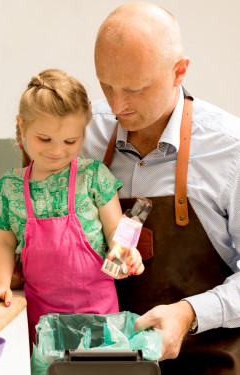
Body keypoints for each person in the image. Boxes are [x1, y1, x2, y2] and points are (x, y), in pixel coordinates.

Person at [83, 2, 240, 373]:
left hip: (206, 359)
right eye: (106, 85)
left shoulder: (230, 150)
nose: (118, 105)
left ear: (178, 71)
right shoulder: (81, 134)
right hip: (94, 359)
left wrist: (188, 312)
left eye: (135, 89)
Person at [0, 68, 144, 346]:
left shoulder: (94, 176)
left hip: (99, 312)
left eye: (70, 141)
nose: (57, 150)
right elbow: (4, 242)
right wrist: (1, 283)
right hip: (41, 317)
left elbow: (116, 228)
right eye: (44, 139)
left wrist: (125, 251)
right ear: (22, 126)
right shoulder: (10, 187)